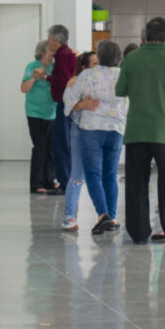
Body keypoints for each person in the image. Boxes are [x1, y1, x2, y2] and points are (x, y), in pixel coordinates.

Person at [114, 17, 165, 244]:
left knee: (136, 184)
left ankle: (139, 232)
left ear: (144, 35)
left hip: (136, 131)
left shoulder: (131, 58)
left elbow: (120, 90)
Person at [66, 40, 128, 235]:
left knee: (93, 175)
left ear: (99, 57)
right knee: (110, 174)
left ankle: (103, 215)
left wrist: (81, 105)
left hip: (91, 129)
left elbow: (68, 99)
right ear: (118, 57)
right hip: (116, 129)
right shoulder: (124, 76)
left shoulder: (87, 75)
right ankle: (113, 216)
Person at [59, 50, 98, 231]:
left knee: (101, 176)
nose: (98, 68)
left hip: (99, 131)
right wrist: (82, 105)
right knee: (77, 174)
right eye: (94, 64)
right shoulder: (75, 82)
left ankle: (106, 216)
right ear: (84, 67)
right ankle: (69, 216)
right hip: (79, 131)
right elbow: (68, 107)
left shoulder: (103, 81)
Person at [21, 41, 58, 194]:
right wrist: (35, 77)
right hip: (35, 113)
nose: (53, 53)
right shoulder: (32, 66)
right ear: (43, 52)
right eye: (51, 50)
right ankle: (36, 183)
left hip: (52, 113)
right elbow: (24, 88)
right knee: (40, 147)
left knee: (51, 148)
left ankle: (49, 180)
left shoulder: (55, 67)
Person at [45, 25, 78, 191]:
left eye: (49, 38)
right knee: (63, 143)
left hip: (64, 103)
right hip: (66, 103)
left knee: (60, 144)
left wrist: (47, 78)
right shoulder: (65, 53)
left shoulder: (63, 55)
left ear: (55, 39)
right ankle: (66, 180)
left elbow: (65, 80)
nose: (48, 41)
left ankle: (66, 182)